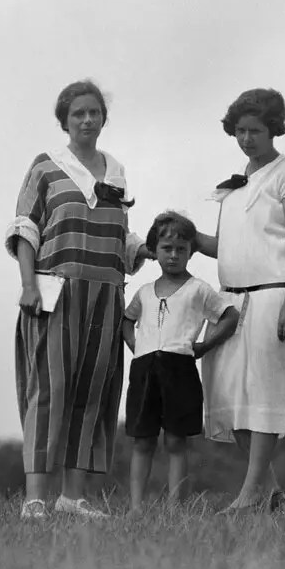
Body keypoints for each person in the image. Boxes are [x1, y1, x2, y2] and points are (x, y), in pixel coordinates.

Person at [6, 80, 149, 520]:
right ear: (64, 121)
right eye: (78, 114)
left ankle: (73, 496)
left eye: (94, 112)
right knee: (49, 390)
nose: (87, 120)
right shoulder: (46, 167)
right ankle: (34, 498)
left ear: (103, 117)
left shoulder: (116, 171)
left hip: (106, 293)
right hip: (56, 291)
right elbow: (26, 229)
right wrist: (28, 284)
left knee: (93, 392)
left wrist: (149, 247)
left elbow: (121, 233)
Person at [196, 88, 285, 513]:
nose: (246, 139)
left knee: (265, 398)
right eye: (240, 131)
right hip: (231, 302)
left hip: (275, 296)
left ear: (274, 130)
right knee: (231, 402)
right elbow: (225, 248)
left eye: (255, 131)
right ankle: (272, 492)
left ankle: (249, 496)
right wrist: (184, 236)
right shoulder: (232, 187)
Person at [122, 212, 239, 515]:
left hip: (179, 370)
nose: (173, 255)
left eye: (181, 249)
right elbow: (127, 320)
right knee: (142, 441)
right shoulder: (144, 292)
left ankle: (176, 509)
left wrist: (205, 345)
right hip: (144, 371)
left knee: (176, 442)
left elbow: (229, 316)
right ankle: (136, 508)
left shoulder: (198, 289)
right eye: (166, 248)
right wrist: (137, 346)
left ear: (190, 251)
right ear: (154, 250)